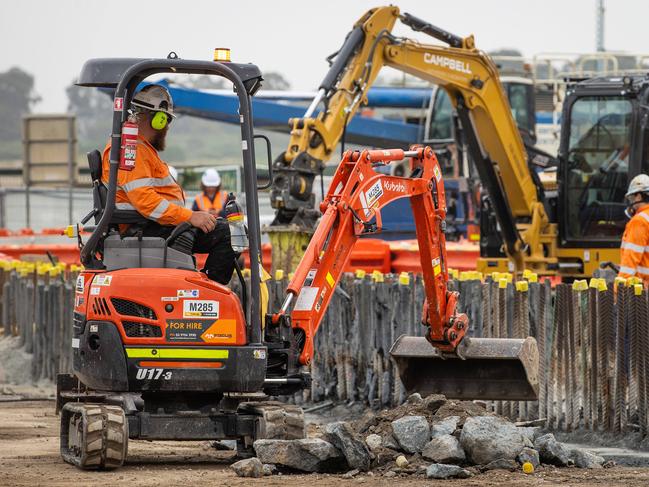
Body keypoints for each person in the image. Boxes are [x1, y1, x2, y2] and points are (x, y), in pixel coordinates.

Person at [101, 84, 235, 285]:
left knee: (223, 227)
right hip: (145, 229)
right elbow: (147, 203)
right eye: (167, 120)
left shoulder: (137, 148)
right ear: (157, 119)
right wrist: (191, 217)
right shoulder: (133, 150)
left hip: (149, 226)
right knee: (229, 232)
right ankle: (210, 292)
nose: (167, 127)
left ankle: (206, 289)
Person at [618, 174, 649, 283]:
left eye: (632, 198)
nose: (631, 202)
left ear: (639, 196)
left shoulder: (639, 221)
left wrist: (619, 291)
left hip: (641, 291)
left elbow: (630, 262)